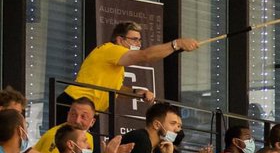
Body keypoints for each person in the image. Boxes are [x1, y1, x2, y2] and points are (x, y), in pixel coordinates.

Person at [61, 21, 196, 114]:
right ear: (120, 40)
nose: (138, 43)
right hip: (74, 103)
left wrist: (135, 92)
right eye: (134, 39)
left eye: (139, 40)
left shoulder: (116, 62)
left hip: (90, 110)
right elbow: (145, 56)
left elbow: (116, 90)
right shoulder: (111, 49)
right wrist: (176, 44)